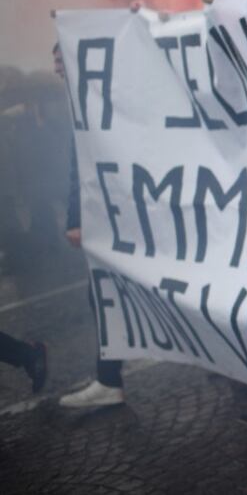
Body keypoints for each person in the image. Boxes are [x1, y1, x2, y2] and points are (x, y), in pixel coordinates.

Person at [51, 43, 126, 408]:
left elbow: (82, 163)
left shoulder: (105, 98)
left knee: (108, 295)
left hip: (127, 217)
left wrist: (77, 219)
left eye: (60, 59)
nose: (56, 69)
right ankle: (109, 379)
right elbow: (77, 164)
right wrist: (76, 217)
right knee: (102, 295)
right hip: (112, 216)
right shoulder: (82, 100)